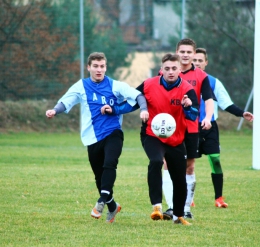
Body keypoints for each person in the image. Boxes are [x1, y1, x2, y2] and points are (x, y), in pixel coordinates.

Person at [45, 52, 149, 223]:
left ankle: (101, 201)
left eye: (102, 66)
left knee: (110, 164)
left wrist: (143, 109)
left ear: (105, 68)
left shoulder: (115, 86)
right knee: (99, 176)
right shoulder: (81, 86)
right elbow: (66, 101)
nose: (99, 70)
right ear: (89, 67)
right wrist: (55, 110)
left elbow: (138, 96)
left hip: (113, 133)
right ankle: (112, 206)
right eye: (95, 66)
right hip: (92, 138)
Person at [104, 53, 199, 225]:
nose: (171, 72)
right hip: (151, 135)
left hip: (176, 139)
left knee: (179, 179)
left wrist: (188, 107)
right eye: (167, 69)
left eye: (174, 69)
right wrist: (114, 109)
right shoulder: (148, 84)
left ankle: (179, 216)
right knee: (156, 161)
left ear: (179, 70)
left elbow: (193, 116)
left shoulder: (186, 90)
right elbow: (132, 103)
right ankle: (157, 206)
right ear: (161, 70)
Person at [192, 47, 254, 207]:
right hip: (188, 126)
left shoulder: (213, 82)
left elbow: (226, 103)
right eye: (194, 60)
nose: (197, 63)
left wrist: (242, 113)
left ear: (206, 63)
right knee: (188, 164)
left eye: (200, 60)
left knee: (215, 159)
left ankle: (218, 198)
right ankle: (188, 199)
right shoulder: (182, 79)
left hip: (209, 126)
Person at [162, 38, 215, 220]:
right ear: (177, 52)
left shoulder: (201, 76)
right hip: (170, 128)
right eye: (182, 51)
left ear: (194, 54)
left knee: (189, 167)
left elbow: (208, 99)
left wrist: (208, 117)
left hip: (191, 128)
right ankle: (171, 207)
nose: (185, 55)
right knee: (167, 164)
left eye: (188, 52)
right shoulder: (167, 71)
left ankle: (185, 208)